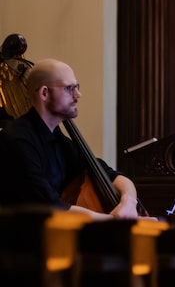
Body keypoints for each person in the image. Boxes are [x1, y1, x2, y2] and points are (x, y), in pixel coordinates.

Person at [0, 58, 141, 220]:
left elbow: (110, 174)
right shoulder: (17, 140)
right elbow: (51, 207)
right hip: (24, 242)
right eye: (69, 88)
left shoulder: (61, 143)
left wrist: (129, 201)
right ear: (44, 93)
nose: (78, 95)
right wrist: (116, 221)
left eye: (77, 87)